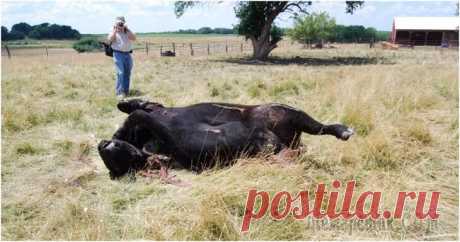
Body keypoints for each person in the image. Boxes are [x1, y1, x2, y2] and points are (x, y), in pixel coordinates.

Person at [108, 16, 136, 99]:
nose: (120, 24)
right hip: (118, 54)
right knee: (120, 73)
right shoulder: (113, 31)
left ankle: (126, 92)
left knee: (127, 73)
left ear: (124, 23)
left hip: (128, 54)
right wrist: (115, 30)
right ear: (115, 23)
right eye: (118, 23)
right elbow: (110, 39)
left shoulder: (127, 31)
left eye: (121, 23)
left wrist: (126, 29)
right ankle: (119, 92)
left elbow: (134, 38)